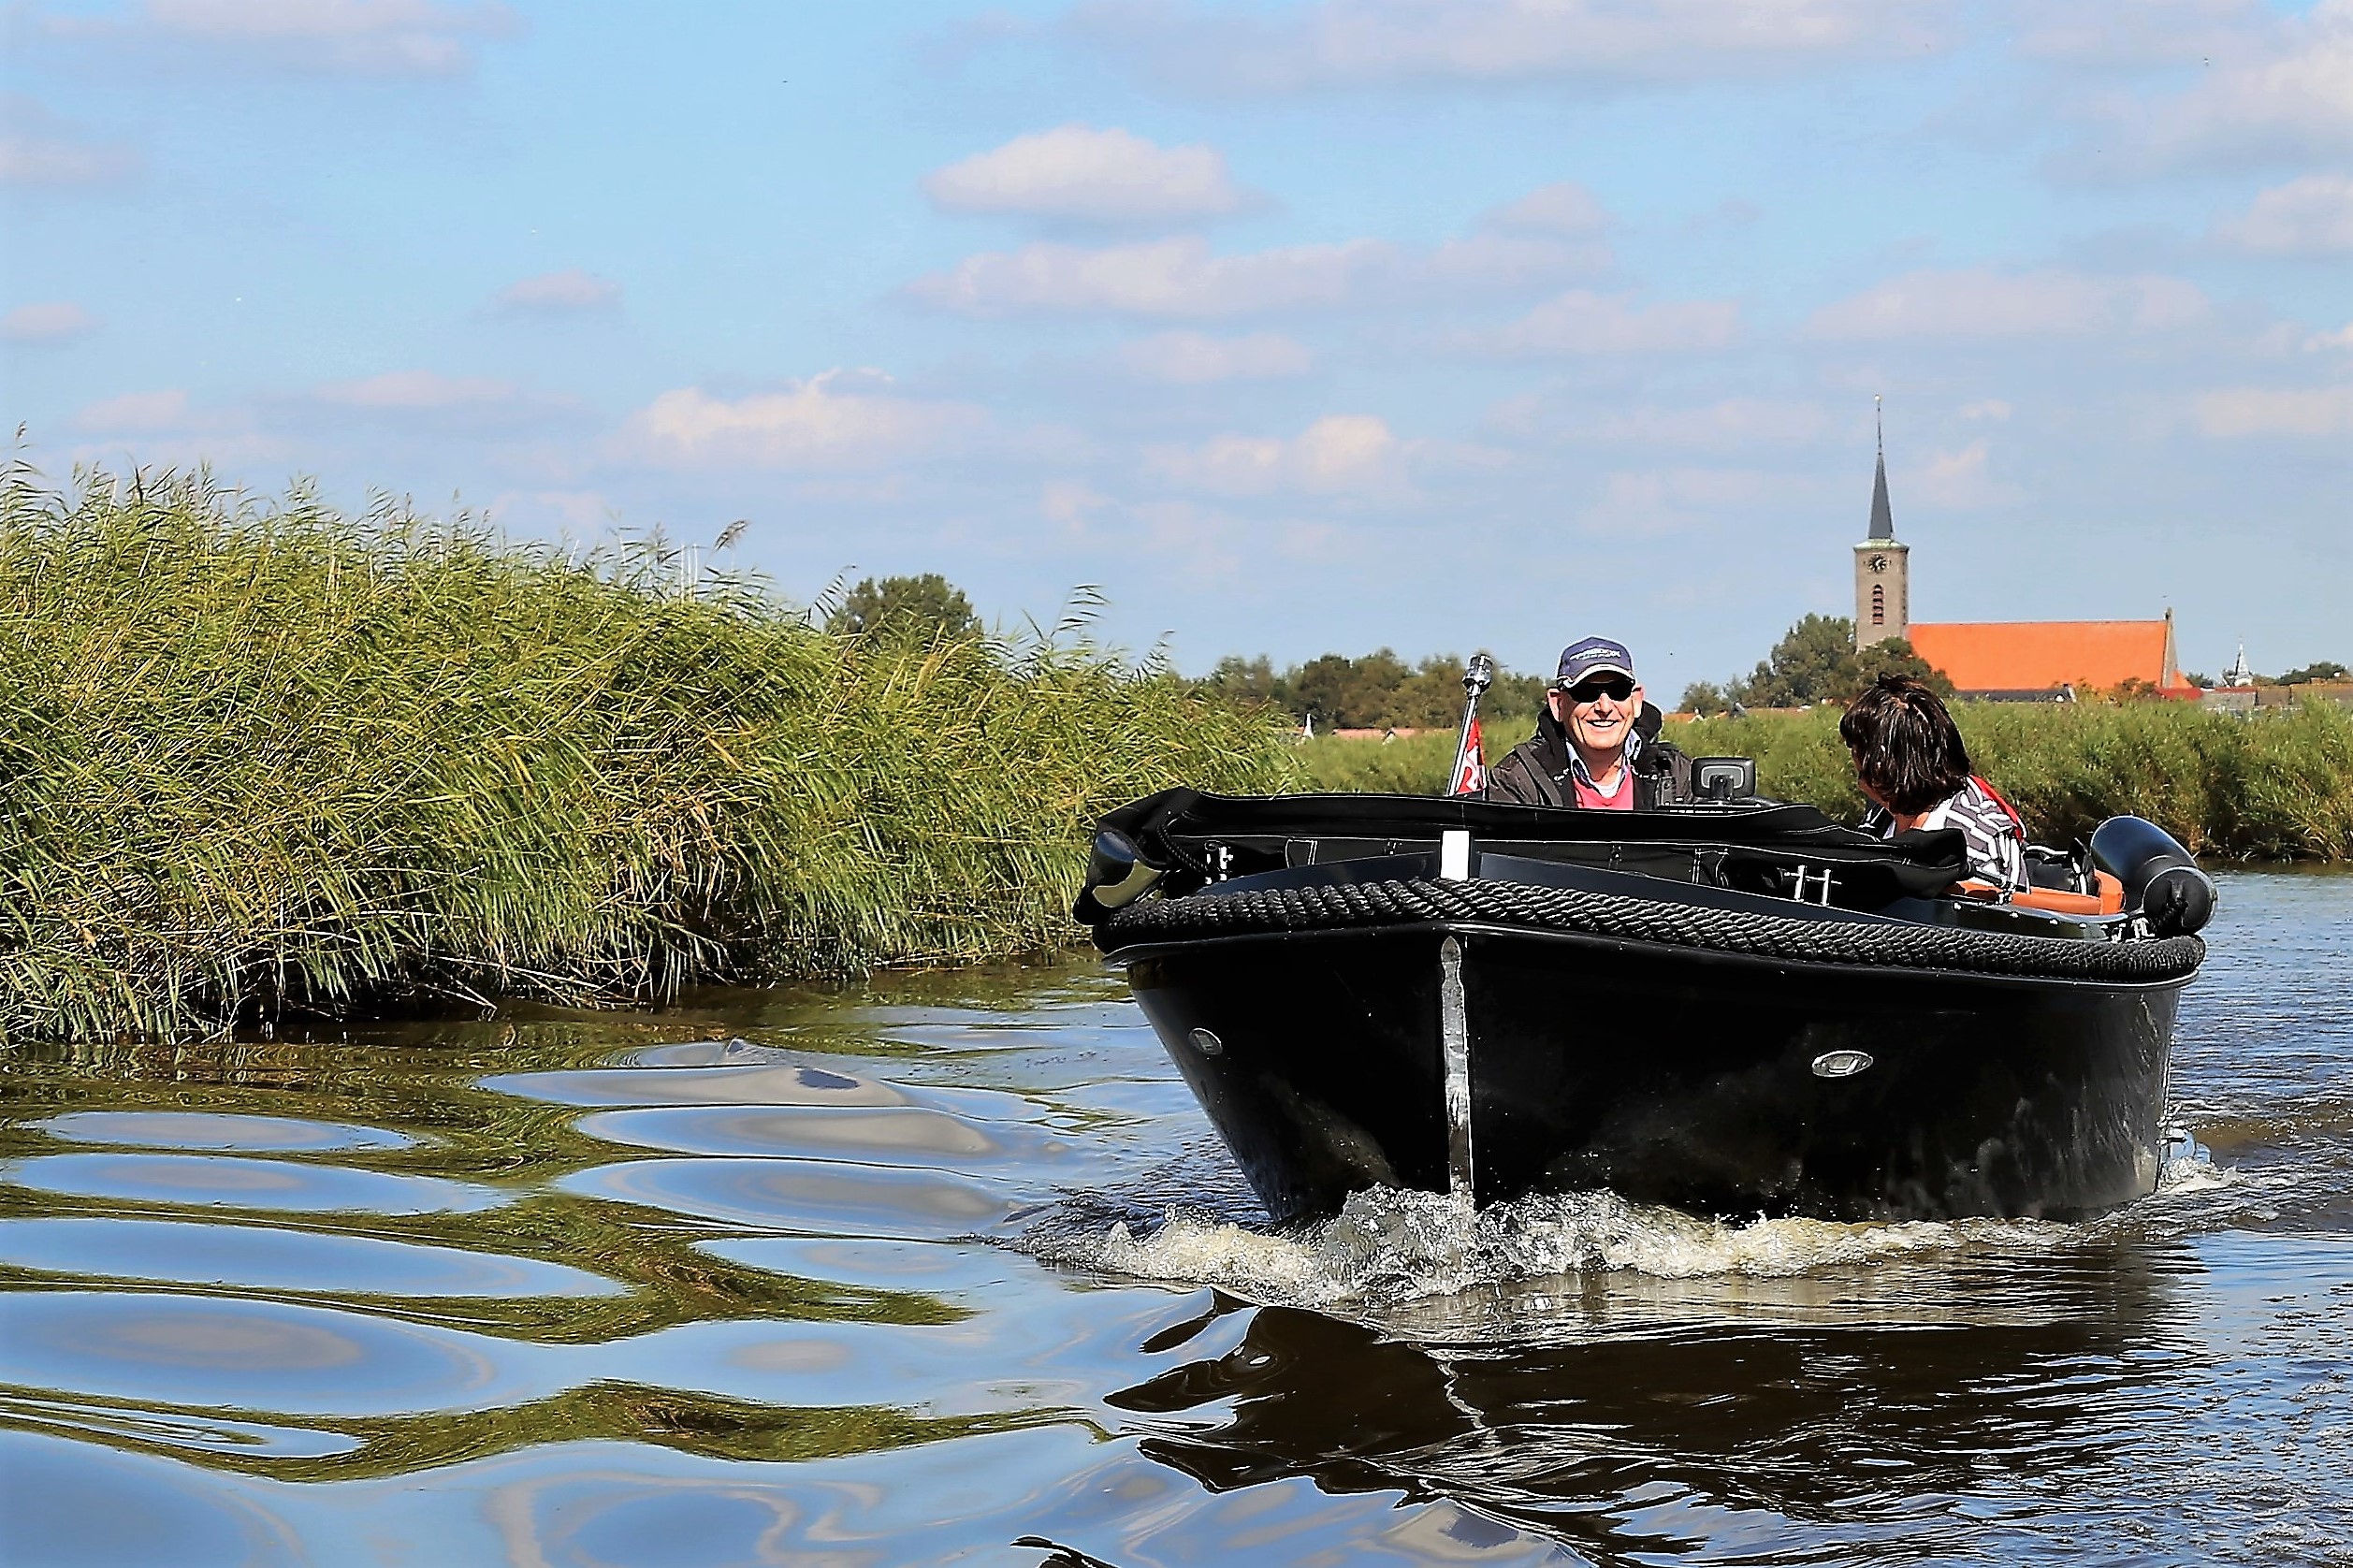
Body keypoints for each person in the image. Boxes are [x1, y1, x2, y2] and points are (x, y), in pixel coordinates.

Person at [1838, 674, 2028, 893]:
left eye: (1855, 746)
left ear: (1881, 759)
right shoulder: (1879, 819)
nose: (1853, 758)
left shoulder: (1977, 838)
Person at [1484, 636, 1692, 809]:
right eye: (1586, 692)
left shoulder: (1677, 774)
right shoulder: (1517, 780)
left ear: (1636, 700)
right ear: (1559, 704)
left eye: (1618, 691)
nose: (1604, 707)